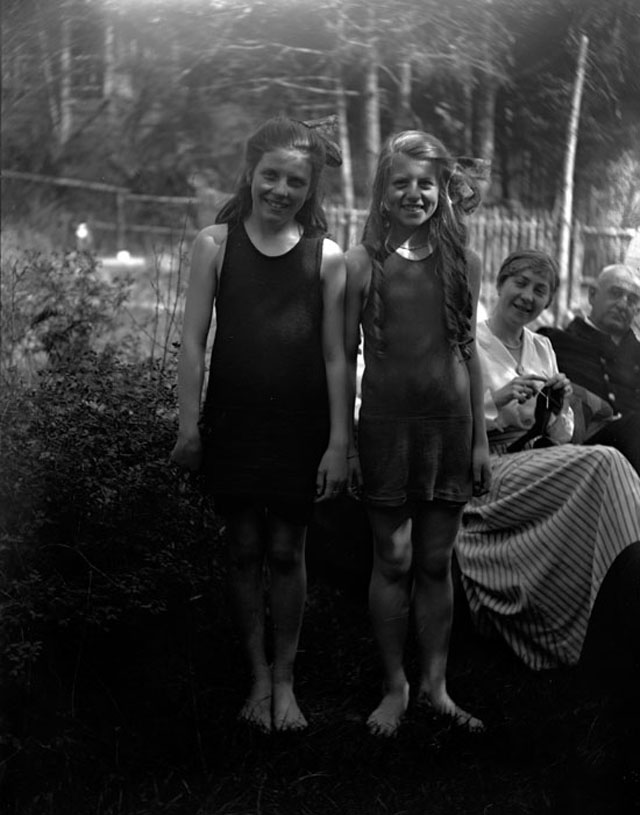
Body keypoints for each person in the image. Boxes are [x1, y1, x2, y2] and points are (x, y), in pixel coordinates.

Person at [171, 116, 348, 733]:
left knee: (286, 549)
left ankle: (285, 680)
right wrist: (188, 425)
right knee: (243, 548)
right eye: (270, 175)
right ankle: (253, 677)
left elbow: (335, 355)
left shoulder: (323, 257)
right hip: (234, 422)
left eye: (294, 181)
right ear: (250, 173)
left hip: (299, 430)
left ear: (310, 188)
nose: (280, 189)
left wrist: (338, 443)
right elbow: (193, 342)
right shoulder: (214, 244)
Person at [345, 130, 491, 736]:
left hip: (450, 429)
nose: (414, 193)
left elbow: (468, 350)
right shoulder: (361, 264)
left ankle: (436, 687)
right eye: (401, 182)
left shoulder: (466, 261)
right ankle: (394, 687)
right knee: (394, 557)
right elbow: (341, 354)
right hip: (385, 428)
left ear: (442, 192)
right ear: (383, 191)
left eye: (425, 184)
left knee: (436, 562)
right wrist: (348, 441)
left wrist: (481, 439)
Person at [455, 249, 640, 679]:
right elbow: (451, 422)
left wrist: (557, 406)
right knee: (605, 463)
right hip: (488, 473)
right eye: (520, 284)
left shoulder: (542, 346)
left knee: (601, 469)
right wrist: (498, 401)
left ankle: (614, 614)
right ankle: (624, 603)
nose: (527, 296)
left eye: (540, 290)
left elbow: (560, 434)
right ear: (499, 285)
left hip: (539, 464)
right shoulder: (470, 343)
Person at [538, 263, 640, 472]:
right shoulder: (556, 342)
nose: (623, 304)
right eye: (616, 293)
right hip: (582, 453)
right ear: (592, 295)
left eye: (632, 300)